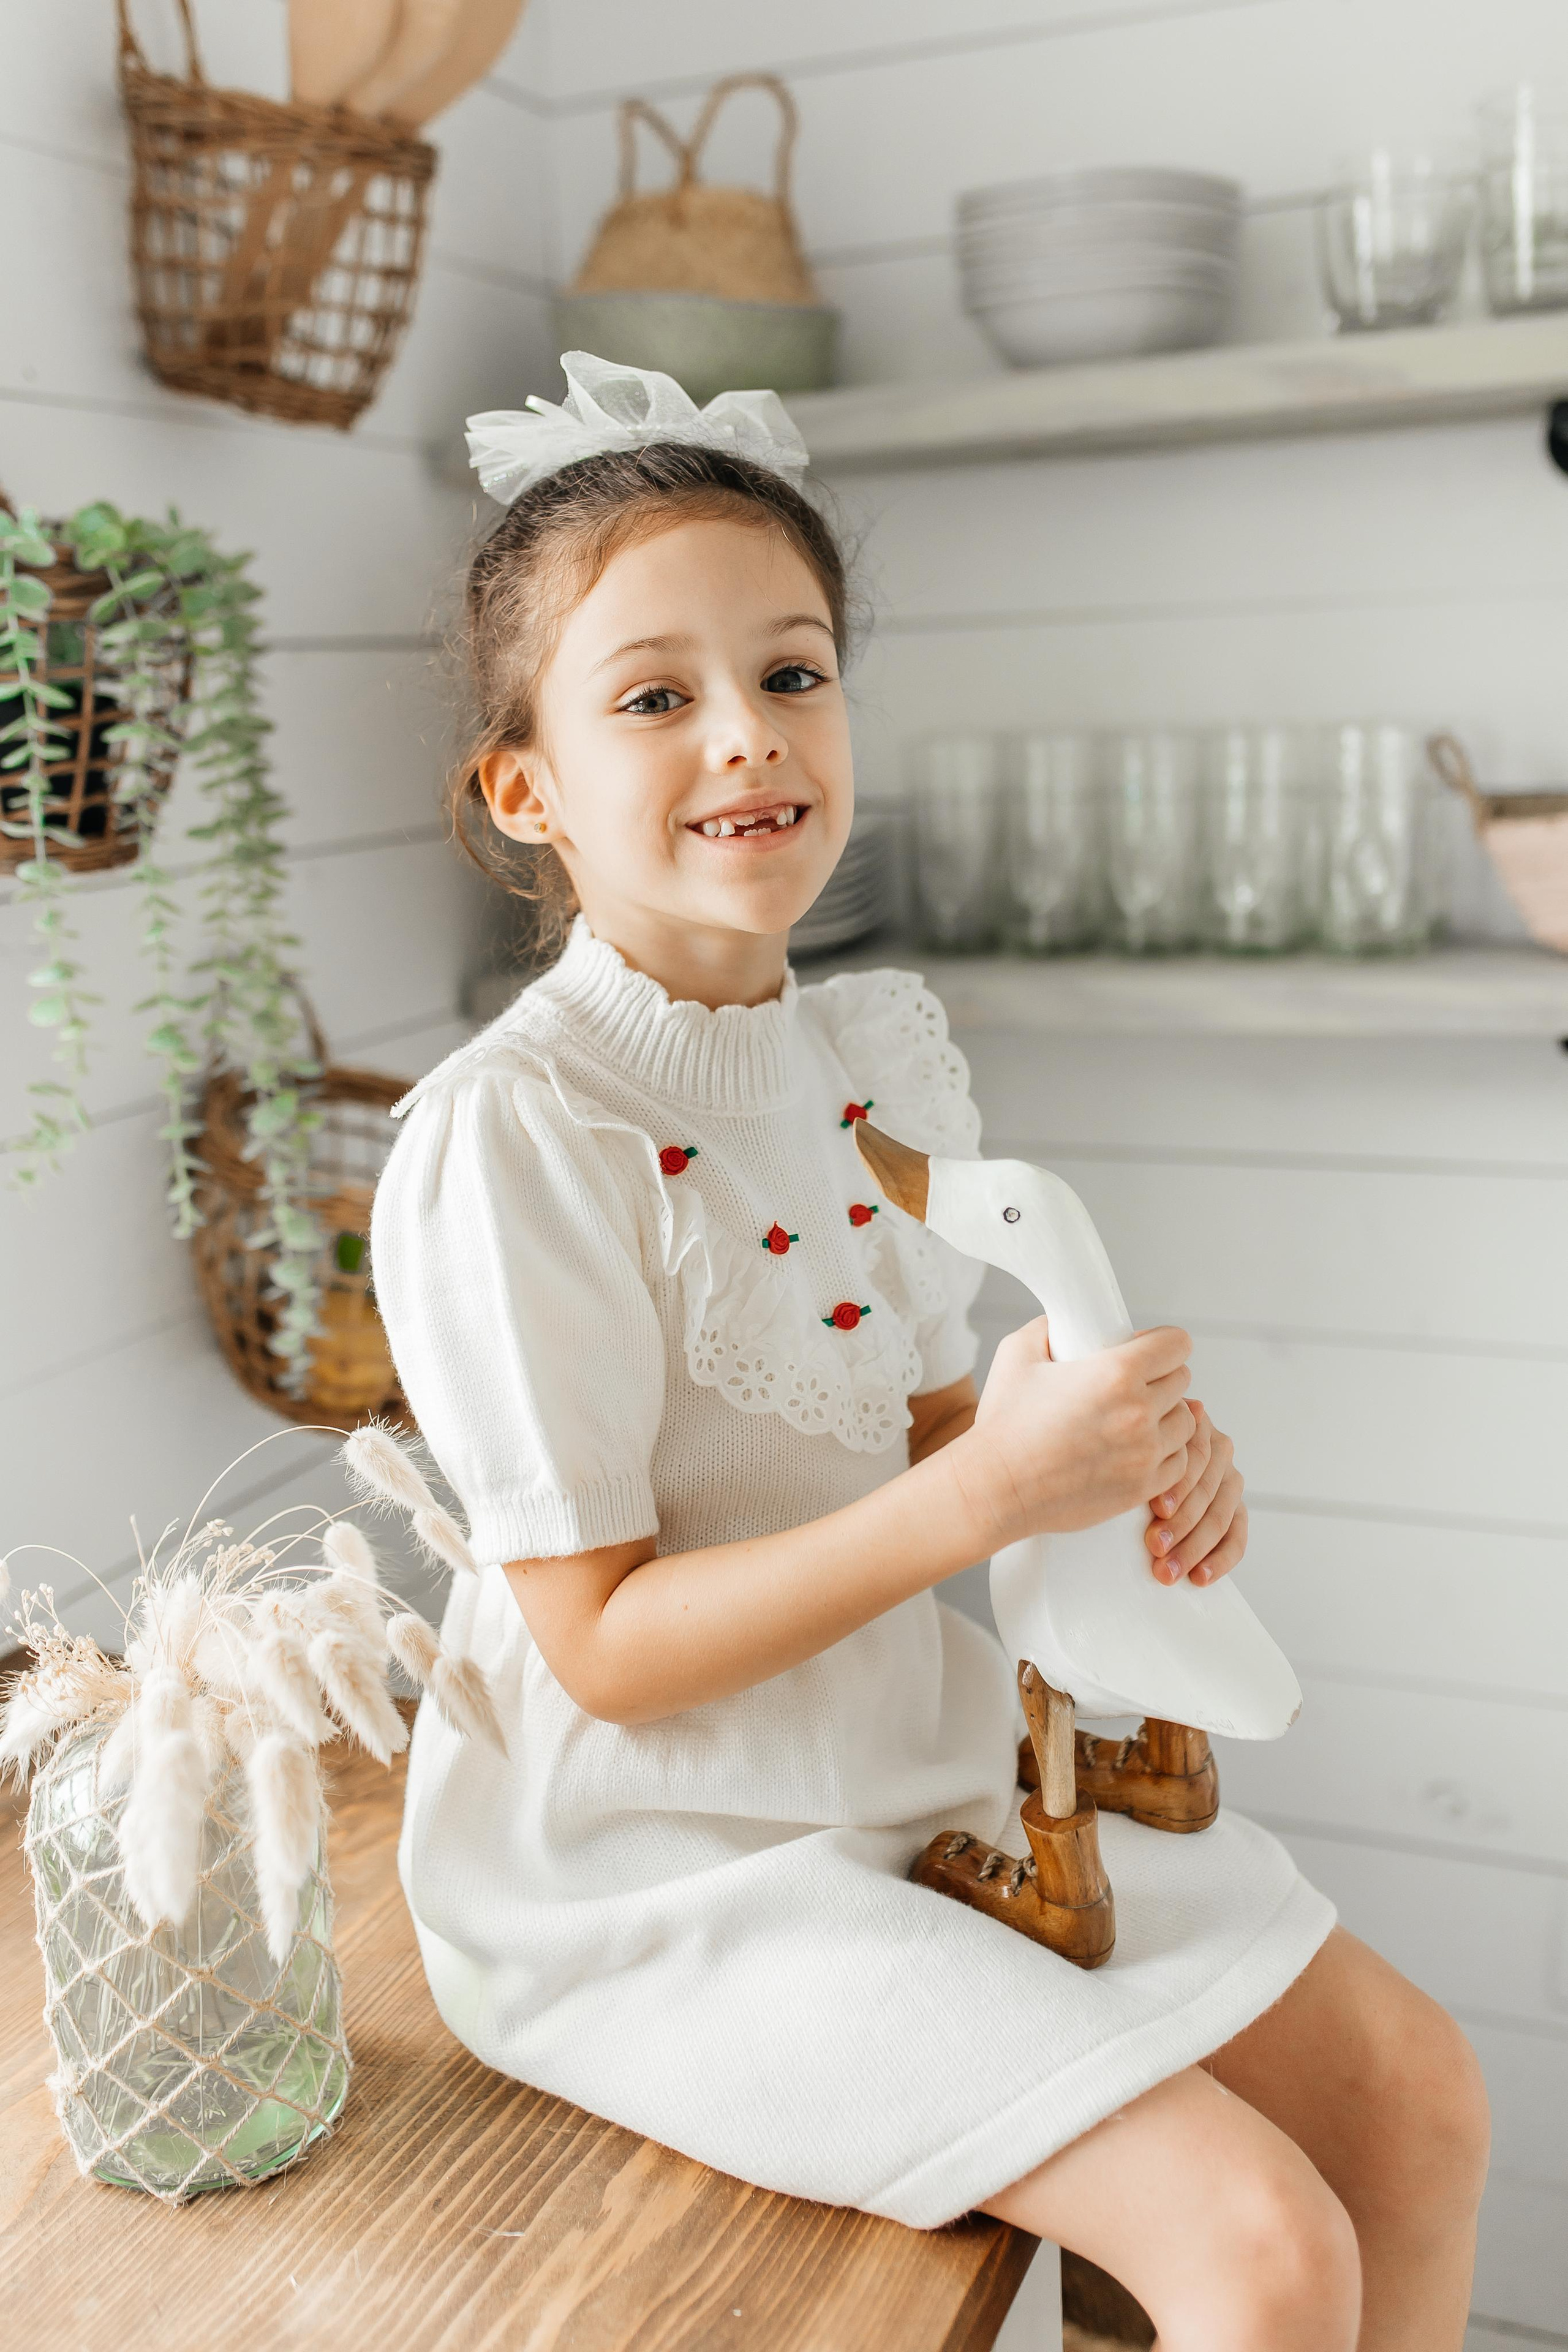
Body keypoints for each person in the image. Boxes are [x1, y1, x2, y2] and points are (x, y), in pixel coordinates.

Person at [371, 355, 1488, 2350]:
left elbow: (880, 1431)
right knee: (1260, 2253)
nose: (747, 735)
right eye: (655, 694)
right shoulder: (514, 1133)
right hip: (662, 1853)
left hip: (902, 1743)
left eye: (793, 672)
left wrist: (1089, 1448)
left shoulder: (867, 1055)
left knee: (1420, 2105)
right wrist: (984, 1490)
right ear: (523, 787)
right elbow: (606, 1649)